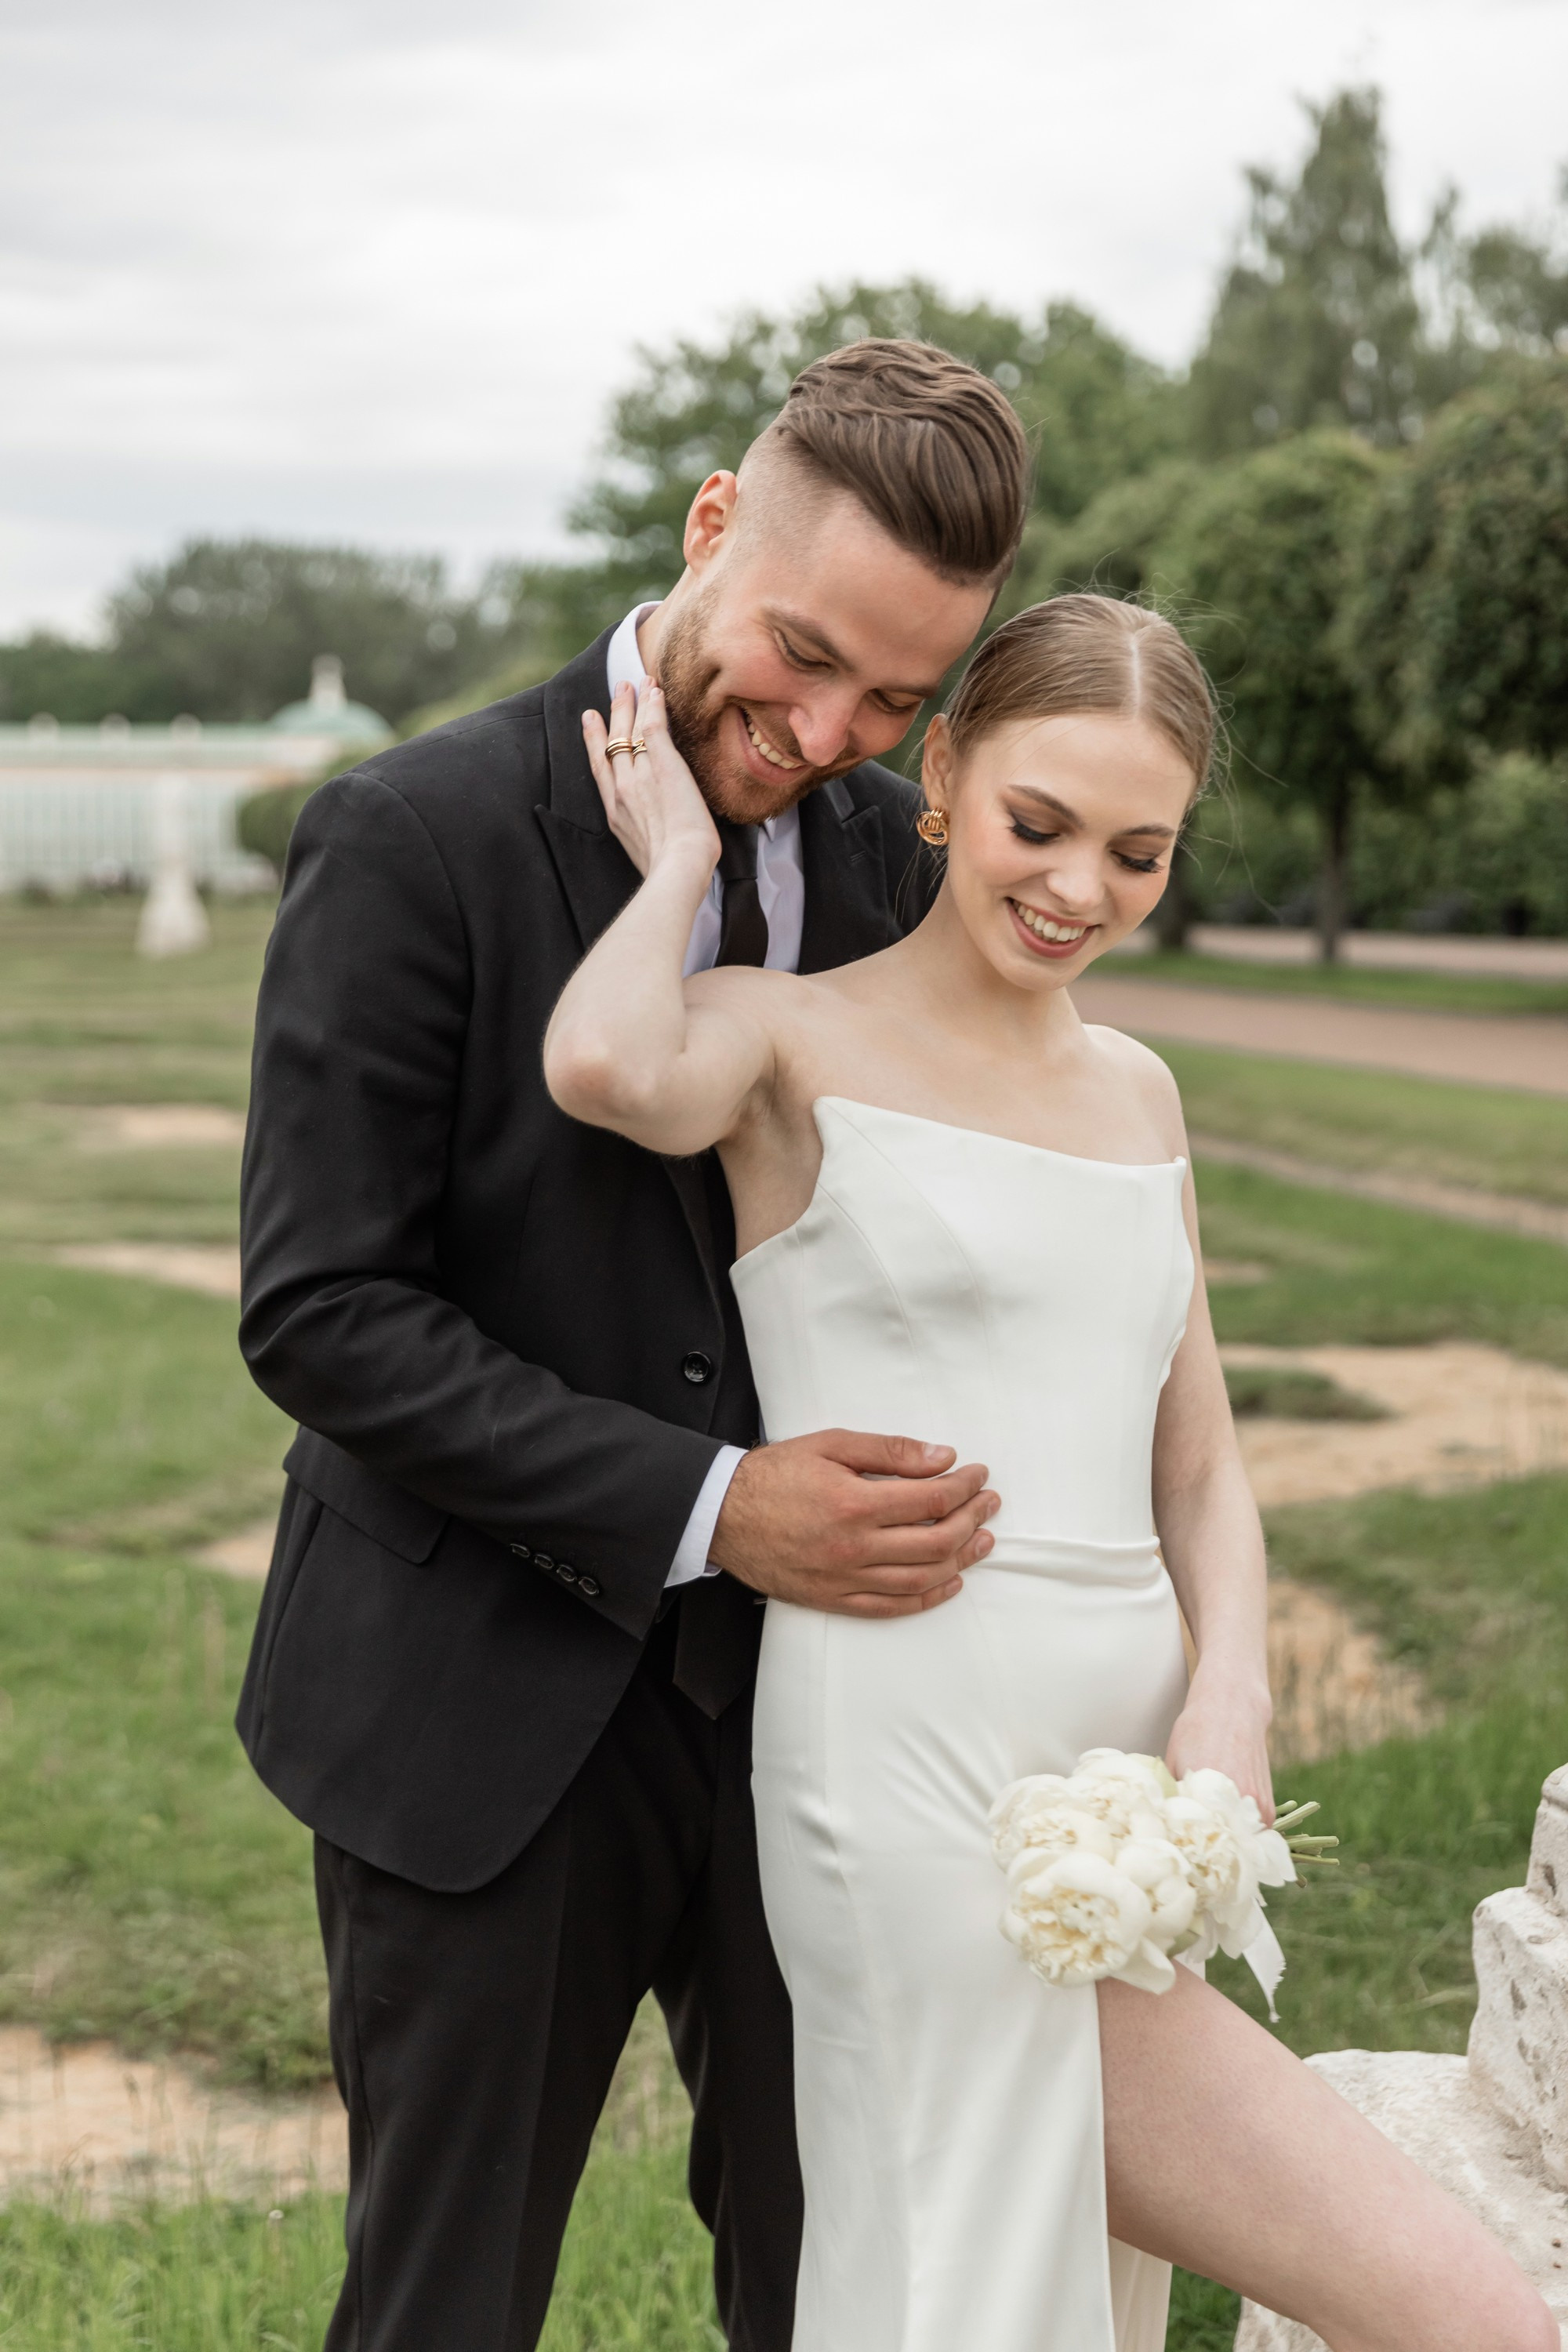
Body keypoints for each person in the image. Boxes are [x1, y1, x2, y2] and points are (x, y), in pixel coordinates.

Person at [544, 593, 1557, 2352]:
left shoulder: (1141, 1095)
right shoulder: (784, 1039)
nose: (1080, 887)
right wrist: (674, 866)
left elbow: (1203, 1466)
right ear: (943, 772)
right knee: (1457, 2315)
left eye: (1138, 851)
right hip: (907, 1772)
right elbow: (604, 1062)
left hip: (1137, 1783)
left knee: (1065, 2303)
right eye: (1039, 825)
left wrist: (1227, 1709)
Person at [235, 339, 1029, 2352]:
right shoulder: (411, 834)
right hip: (473, 1716)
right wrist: (710, 1507)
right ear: (707, 530)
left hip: (830, 1730)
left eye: (895, 699)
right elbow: (324, 1309)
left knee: (841, 2277)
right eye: (799, 651)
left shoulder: (888, 868)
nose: (826, 729)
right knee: (446, 2309)